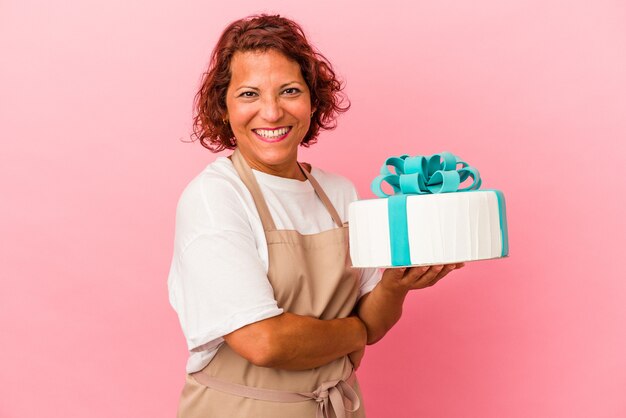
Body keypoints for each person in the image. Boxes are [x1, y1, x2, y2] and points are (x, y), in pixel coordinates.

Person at [167, 14, 463, 418]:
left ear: (312, 100)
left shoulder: (338, 193)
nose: (271, 112)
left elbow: (375, 318)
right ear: (224, 107)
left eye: (289, 90)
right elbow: (263, 342)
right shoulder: (215, 198)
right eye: (249, 94)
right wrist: (357, 332)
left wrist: (396, 286)